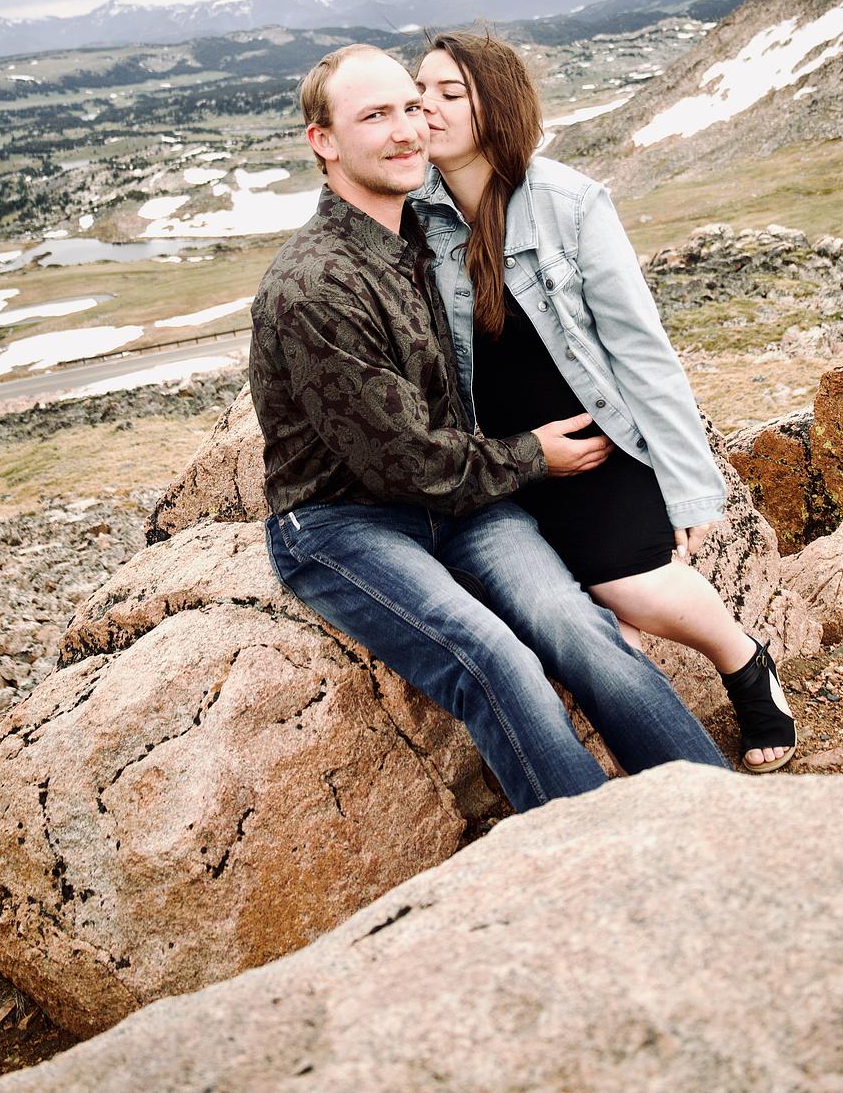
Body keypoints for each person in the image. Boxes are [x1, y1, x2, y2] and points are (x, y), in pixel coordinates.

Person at [247, 43, 729, 816]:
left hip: (459, 504)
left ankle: (723, 818)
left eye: (412, 108)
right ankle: (596, 852)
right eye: (376, 116)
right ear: (323, 141)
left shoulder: (422, 232)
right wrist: (534, 456)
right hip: (345, 521)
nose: (407, 129)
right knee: (494, 659)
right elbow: (404, 463)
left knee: (577, 626)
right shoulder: (315, 283)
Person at [411, 30, 797, 774]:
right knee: (584, 627)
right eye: (418, 90)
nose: (425, 107)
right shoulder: (413, 214)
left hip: (593, 449)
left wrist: (689, 485)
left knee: (632, 590)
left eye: (449, 93)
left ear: (498, 109)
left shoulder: (569, 203)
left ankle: (745, 662)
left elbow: (641, 350)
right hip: (497, 465)